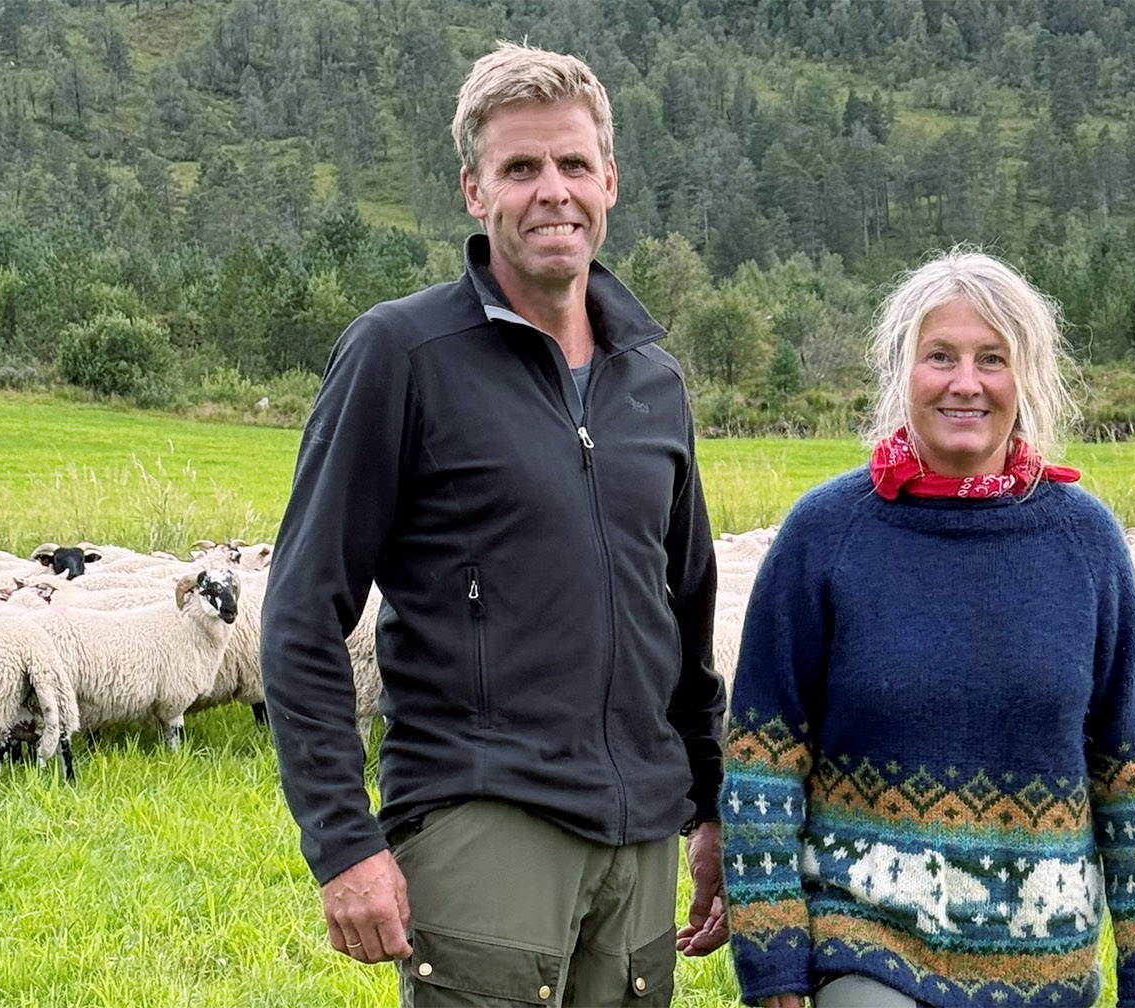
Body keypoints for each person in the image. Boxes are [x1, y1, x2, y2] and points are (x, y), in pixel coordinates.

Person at [259, 41, 728, 1007]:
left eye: (573, 164)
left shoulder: (654, 379)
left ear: (610, 181)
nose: (553, 191)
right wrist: (343, 843)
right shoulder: (402, 355)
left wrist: (711, 802)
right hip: (484, 820)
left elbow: (684, 613)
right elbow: (302, 612)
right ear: (475, 190)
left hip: (639, 840)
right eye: (520, 167)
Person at [720, 251, 1135, 1008]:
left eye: (992, 359)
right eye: (940, 356)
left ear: (1026, 376)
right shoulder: (827, 535)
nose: (965, 382)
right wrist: (772, 956)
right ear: (901, 371)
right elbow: (763, 760)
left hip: (1044, 969)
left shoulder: (1084, 543)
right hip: (868, 948)